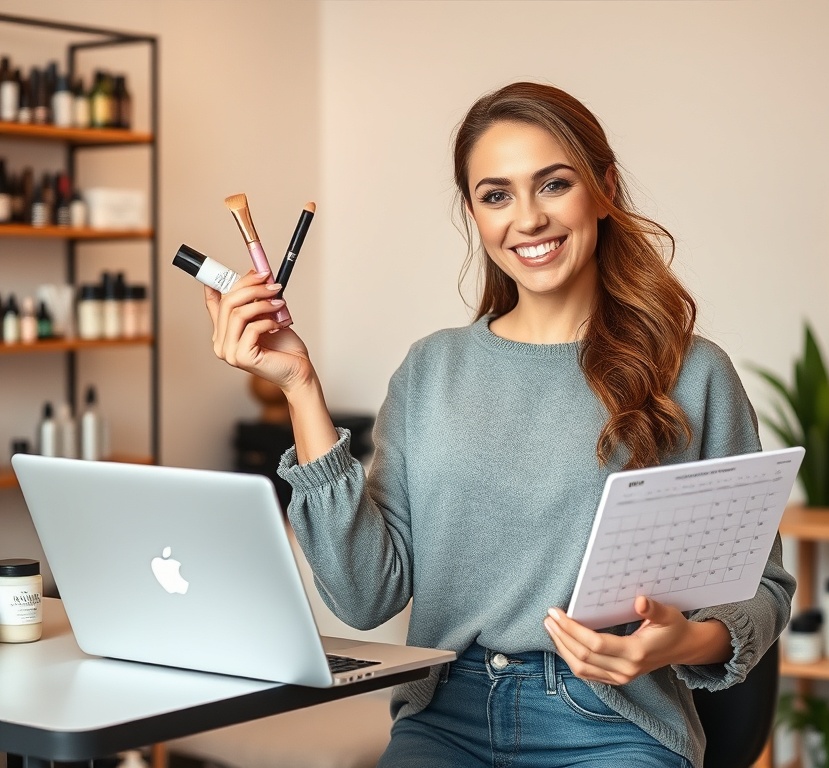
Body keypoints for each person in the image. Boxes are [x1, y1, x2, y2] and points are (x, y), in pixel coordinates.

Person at [205, 81, 795, 768]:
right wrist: (301, 387)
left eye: (553, 185)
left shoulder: (690, 371)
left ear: (603, 189)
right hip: (445, 717)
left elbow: (762, 587)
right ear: (473, 214)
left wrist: (682, 643)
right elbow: (365, 596)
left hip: (608, 726)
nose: (528, 219)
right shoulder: (432, 371)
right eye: (496, 195)